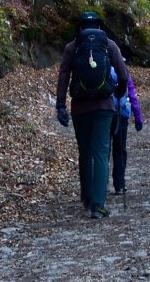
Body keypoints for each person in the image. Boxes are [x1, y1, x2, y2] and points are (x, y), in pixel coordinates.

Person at [56, 11, 129, 219]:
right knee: (101, 153)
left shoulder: (72, 47)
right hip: (104, 107)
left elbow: (63, 75)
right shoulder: (109, 44)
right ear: (99, 26)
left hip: (80, 107)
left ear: (79, 27)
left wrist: (60, 104)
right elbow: (123, 74)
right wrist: (119, 94)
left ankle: (87, 198)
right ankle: (98, 205)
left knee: (85, 153)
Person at [111, 66, 144, 196]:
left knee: (104, 152)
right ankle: (119, 184)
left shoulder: (104, 69)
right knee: (120, 150)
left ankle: (101, 185)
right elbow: (132, 97)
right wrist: (138, 118)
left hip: (105, 114)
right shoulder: (123, 72)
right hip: (121, 115)